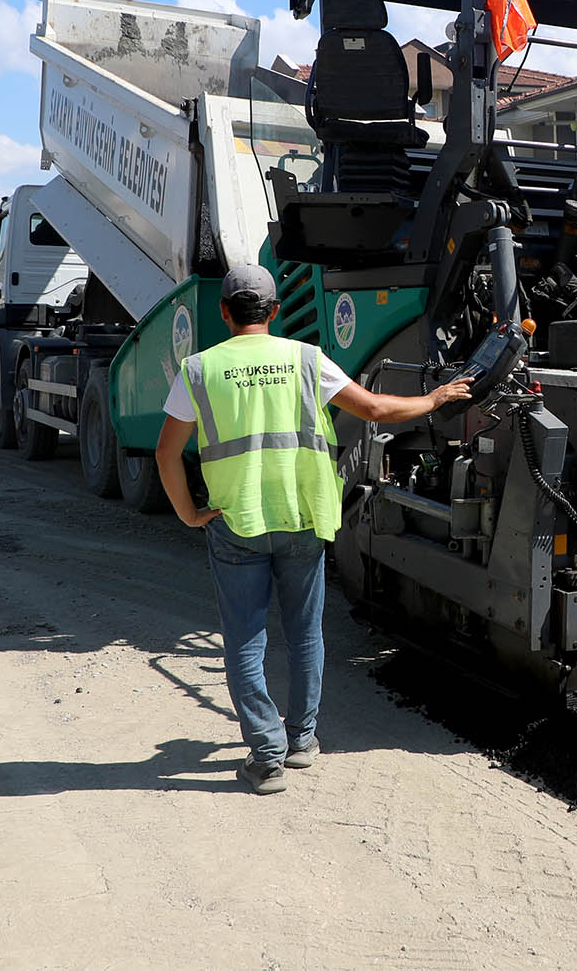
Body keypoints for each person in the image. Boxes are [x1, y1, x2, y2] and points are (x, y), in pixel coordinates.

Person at [154, 264, 472, 796]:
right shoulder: (305, 359)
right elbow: (373, 409)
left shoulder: (200, 369)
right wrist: (435, 399)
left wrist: (188, 512)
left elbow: (167, 452)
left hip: (238, 522)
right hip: (304, 516)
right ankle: (302, 740)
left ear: (225, 312)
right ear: (276, 312)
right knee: (304, 632)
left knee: (245, 642)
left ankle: (266, 754)